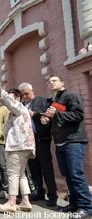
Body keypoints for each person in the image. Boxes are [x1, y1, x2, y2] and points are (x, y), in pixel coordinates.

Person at [41, 75, 92, 218]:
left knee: (76, 174)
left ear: (62, 82)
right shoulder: (54, 100)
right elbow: (58, 118)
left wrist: (56, 114)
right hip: (60, 142)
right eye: (49, 81)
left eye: (54, 81)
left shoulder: (71, 95)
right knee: (68, 175)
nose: (51, 83)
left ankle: (87, 207)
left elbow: (78, 115)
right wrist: (47, 119)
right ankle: (74, 204)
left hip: (73, 141)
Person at [0, 79, 35, 213]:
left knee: (12, 174)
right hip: (24, 147)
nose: (7, 100)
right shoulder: (19, 110)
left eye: (10, 97)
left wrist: (1, 90)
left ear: (17, 98)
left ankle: (11, 202)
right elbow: (6, 102)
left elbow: (9, 102)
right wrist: (0, 97)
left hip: (17, 146)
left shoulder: (18, 107)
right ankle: (25, 201)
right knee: (21, 174)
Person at [18, 82, 58, 206]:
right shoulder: (22, 106)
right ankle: (39, 191)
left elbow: (53, 112)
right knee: (34, 169)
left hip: (42, 140)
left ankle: (52, 195)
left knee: (46, 169)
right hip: (29, 142)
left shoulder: (42, 101)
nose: (24, 96)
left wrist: (35, 114)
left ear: (32, 91)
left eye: (27, 94)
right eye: (22, 94)